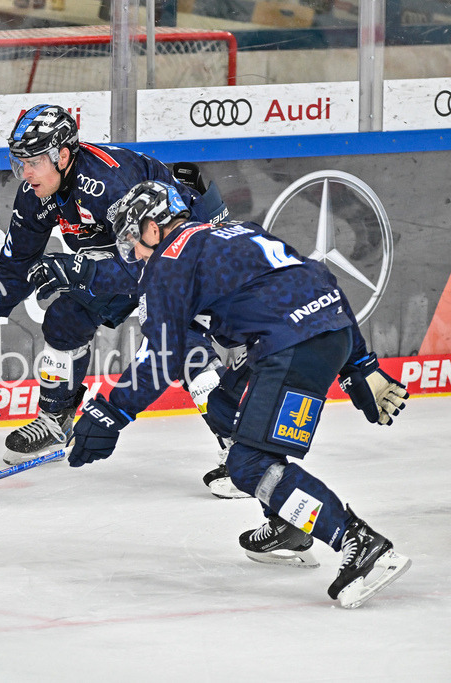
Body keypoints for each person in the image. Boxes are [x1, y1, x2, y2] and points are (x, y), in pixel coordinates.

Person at [68, 179, 411, 608]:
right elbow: (317, 279)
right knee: (227, 405)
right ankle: (289, 519)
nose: (134, 255)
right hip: (324, 334)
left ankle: (356, 541)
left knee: (248, 466)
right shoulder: (231, 231)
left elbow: (161, 355)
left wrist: (108, 414)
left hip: (290, 349)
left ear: (153, 228)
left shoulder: (169, 260)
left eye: (133, 242)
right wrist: (358, 362)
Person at [0, 103, 240, 497]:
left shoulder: (110, 183)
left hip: (184, 253)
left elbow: (148, 264)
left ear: (64, 155)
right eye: (20, 162)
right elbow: (18, 262)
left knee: (181, 342)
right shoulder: (38, 194)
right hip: (128, 255)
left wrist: (79, 270)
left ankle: (244, 453)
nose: (26, 173)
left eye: (34, 162)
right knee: (65, 318)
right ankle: (56, 422)